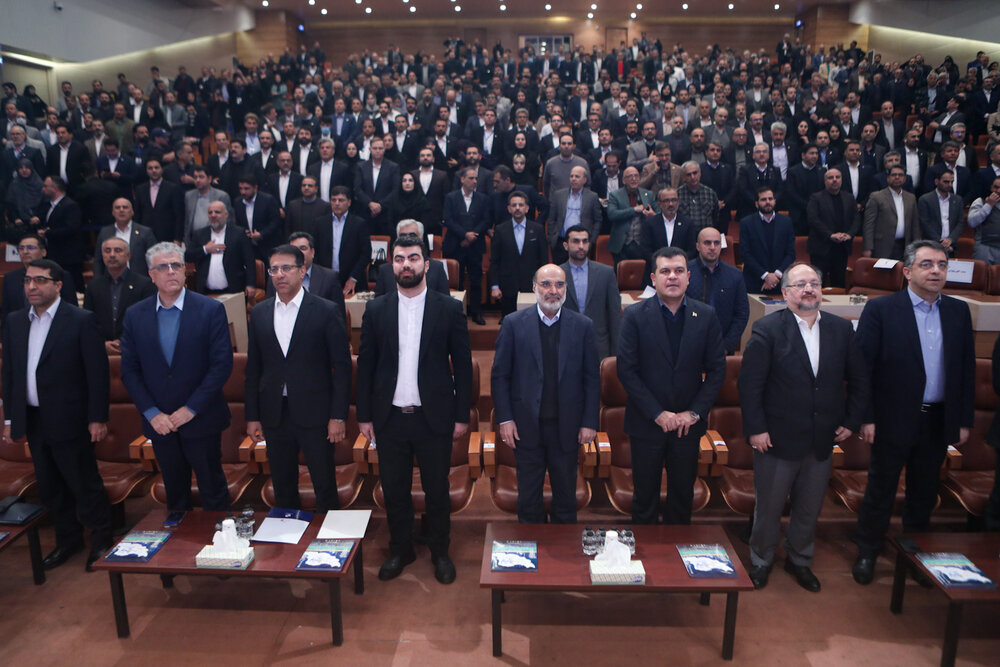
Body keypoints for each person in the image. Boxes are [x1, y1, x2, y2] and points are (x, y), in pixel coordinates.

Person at [851, 240, 975, 585]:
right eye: (927, 264)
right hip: (891, 418)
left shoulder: (958, 311)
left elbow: (965, 371)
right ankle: (868, 549)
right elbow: (863, 369)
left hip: (937, 418)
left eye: (941, 265)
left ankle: (914, 554)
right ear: (907, 271)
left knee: (923, 491)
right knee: (881, 489)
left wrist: (963, 420)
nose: (936, 271)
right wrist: (866, 417)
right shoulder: (882, 310)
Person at [738, 263, 868, 591]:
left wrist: (851, 421)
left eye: (814, 283)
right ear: (785, 293)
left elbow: (859, 380)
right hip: (776, 439)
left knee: (809, 507)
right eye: (800, 285)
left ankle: (799, 559)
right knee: (769, 508)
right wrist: (756, 429)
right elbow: (750, 385)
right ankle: (761, 559)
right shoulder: (767, 329)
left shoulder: (841, 329)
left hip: (822, 437)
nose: (808, 289)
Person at [356, 235, 473, 584]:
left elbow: (463, 366)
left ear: (427, 263)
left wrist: (461, 415)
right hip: (389, 417)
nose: (406, 264)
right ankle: (400, 549)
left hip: (433, 417)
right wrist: (364, 415)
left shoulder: (448, 308)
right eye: (399, 259)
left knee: (437, 490)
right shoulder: (376, 310)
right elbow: (366, 366)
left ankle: (440, 551)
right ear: (391, 265)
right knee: (395, 490)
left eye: (413, 258)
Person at [1, 259, 112, 571]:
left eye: (40, 280)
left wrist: (97, 417)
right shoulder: (15, 321)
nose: (32, 287)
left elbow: (97, 375)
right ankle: (68, 539)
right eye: (27, 281)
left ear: (58, 285)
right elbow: (10, 374)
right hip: (34, 419)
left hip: (71, 418)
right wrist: (10, 419)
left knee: (83, 482)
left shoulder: (80, 320)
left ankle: (101, 538)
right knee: (50, 485)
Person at [120, 242, 234, 512]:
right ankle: (179, 540)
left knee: (213, 490)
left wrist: (190, 409)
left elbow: (221, 365)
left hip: (202, 418)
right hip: (160, 423)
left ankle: (220, 538)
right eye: (163, 267)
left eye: (176, 265)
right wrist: (152, 413)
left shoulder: (210, 309)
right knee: (174, 494)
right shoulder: (135, 315)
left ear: (185, 271)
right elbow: (130, 371)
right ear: (151, 274)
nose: (171, 271)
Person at [617, 246, 726, 524]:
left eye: (679, 270)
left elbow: (717, 371)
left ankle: (676, 551)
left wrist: (694, 412)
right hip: (646, 423)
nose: (672, 276)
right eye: (665, 271)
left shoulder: (706, 315)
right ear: (654, 279)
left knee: (682, 498)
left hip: (687, 426)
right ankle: (645, 548)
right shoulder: (634, 315)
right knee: (644, 498)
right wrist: (657, 413)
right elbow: (627, 371)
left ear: (689, 277)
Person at [245, 244, 352, 512]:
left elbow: (342, 368)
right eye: (274, 269)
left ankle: (327, 536)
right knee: (282, 486)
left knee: (324, 484)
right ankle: (287, 536)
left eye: (286, 268)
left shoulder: (325, 310)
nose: (280, 274)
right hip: (274, 413)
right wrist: (252, 416)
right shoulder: (259, 313)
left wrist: (338, 416)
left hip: (316, 414)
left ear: (302, 271)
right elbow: (254, 368)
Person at [491, 263, 600, 523]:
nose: (553, 290)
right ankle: (534, 546)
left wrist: (589, 422)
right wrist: (505, 419)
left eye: (559, 285)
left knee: (566, 500)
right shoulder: (513, 324)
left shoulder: (583, 326)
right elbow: (500, 376)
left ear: (566, 288)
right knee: (529, 500)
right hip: (526, 427)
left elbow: (591, 379)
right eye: (546, 284)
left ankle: (563, 549)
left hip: (567, 428)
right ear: (534, 287)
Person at [83, 237, 157, 353]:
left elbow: (148, 321)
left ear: (128, 256)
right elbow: (88, 322)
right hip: (101, 349)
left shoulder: (145, 285)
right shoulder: (94, 286)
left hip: (136, 348)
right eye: (107, 251)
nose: (112, 255)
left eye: (118, 250)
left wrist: (125, 342)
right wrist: (102, 343)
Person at [561, 225, 621, 359]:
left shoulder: (606, 273)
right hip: (564, 345)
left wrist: (616, 353)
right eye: (576, 241)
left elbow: (614, 315)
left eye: (585, 241)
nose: (581, 246)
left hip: (598, 346)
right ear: (566, 245)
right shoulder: (557, 274)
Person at [686, 226, 749, 355]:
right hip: (688, 348)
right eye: (707, 243)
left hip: (722, 348)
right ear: (698, 246)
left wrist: (726, 346)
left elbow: (742, 314)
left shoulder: (735, 275)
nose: (712, 247)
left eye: (717, 243)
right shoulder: (685, 273)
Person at [442, 167, 492, 325]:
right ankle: (457, 314)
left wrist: (472, 236)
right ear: (462, 179)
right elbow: (448, 219)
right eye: (471, 178)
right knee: (458, 281)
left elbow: (486, 220)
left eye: (476, 178)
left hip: (475, 245)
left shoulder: (483, 198)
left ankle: (476, 312)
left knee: (476, 281)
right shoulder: (451, 197)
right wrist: (464, 235)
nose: (474, 181)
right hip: (456, 244)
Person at [489, 191, 548, 317]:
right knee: (508, 321)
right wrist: (495, 286)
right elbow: (494, 261)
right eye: (514, 205)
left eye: (521, 205)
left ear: (527, 208)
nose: (517, 208)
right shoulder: (500, 230)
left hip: (531, 285)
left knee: (532, 321)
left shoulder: (537, 229)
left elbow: (544, 260)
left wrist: (544, 285)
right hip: (507, 285)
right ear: (509, 209)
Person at [185, 200, 257, 298]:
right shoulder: (200, 234)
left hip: (233, 290)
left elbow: (249, 260)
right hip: (206, 293)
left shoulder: (239, 233)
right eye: (210, 212)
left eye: (217, 212)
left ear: (226, 214)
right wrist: (205, 249)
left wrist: (251, 284)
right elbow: (188, 256)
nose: (213, 215)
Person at [309, 185, 371, 297]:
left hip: (352, 279)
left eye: (341, 200)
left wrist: (353, 278)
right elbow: (315, 251)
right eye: (334, 200)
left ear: (349, 202)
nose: (337, 203)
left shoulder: (359, 224)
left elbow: (366, 254)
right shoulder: (320, 223)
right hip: (326, 278)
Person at [264, 231, 346, 314]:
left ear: (312, 252)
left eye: (303, 248)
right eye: (294, 249)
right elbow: (269, 311)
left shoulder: (329, 277)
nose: (299, 253)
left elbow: (339, 314)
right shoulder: (276, 278)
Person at [806, 168, 861, 288]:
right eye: (830, 178)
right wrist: (830, 235)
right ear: (825, 181)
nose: (834, 180)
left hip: (842, 248)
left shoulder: (849, 197)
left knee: (839, 284)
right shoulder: (816, 198)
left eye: (837, 177)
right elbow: (813, 220)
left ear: (841, 180)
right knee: (818, 283)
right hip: (821, 248)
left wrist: (850, 234)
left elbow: (856, 219)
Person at [739, 187, 795, 294]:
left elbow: (790, 254)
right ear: (757, 204)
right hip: (755, 281)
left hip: (780, 282)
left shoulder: (786, 222)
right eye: (763, 199)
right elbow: (745, 254)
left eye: (770, 199)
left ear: (775, 201)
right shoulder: (746, 223)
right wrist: (765, 276)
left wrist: (776, 275)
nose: (767, 202)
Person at [373, 220, 449, 297]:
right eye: (403, 236)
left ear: (421, 238)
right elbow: (379, 302)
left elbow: (445, 301)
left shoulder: (437, 268)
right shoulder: (385, 270)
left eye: (412, 236)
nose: (407, 239)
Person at [546, 165, 601, 265]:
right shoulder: (559, 195)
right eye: (571, 176)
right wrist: (551, 236)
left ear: (584, 180)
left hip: (581, 243)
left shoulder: (592, 197)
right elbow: (551, 218)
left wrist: (592, 240)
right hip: (561, 241)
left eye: (577, 176)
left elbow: (598, 220)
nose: (573, 179)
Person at [862, 165, 920, 260]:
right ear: (888, 178)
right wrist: (867, 247)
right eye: (894, 175)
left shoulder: (911, 198)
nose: (897, 177)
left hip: (905, 246)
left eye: (900, 175)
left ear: (905, 178)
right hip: (882, 246)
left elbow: (915, 225)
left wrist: (917, 246)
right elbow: (869, 224)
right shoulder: (876, 197)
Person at [641, 187, 697, 280]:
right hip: (656, 273)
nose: (671, 204)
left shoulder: (688, 223)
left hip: (680, 273)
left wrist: (677, 264)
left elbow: (691, 250)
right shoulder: (650, 223)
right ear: (659, 203)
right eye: (666, 201)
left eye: (673, 200)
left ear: (678, 202)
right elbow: (645, 250)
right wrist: (662, 263)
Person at [93, 198, 157, 277]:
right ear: (113, 212)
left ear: (132, 212)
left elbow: (153, 259)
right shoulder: (104, 232)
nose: (121, 210)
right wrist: (98, 279)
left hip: (139, 279)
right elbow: (98, 260)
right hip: (112, 280)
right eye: (117, 207)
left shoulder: (145, 232)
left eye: (125, 207)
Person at [608, 165, 657, 266]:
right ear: (623, 180)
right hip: (622, 244)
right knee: (621, 272)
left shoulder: (648, 194)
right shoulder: (615, 195)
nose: (633, 179)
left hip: (642, 243)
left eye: (636, 176)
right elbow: (612, 214)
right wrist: (633, 210)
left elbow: (659, 214)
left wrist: (653, 215)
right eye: (630, 176)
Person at [233, 174, 283, 260]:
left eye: (246, 188)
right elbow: (238, 223)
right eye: (240, 189)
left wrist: (261, 234)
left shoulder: (268, 200)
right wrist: (244, 232)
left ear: (255, 188)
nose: (243, 192)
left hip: (268, 245)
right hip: (249, 247)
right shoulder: (238, 202)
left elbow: (276, 222)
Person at [917, 169, 964, 256]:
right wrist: (940, 242)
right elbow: (925, 223)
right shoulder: (925, 200)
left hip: (951, 246)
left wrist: (950, 239)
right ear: (936, 181)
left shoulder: (957, 200)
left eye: (952, 182)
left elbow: (960, 223)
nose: (950, 185)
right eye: (946, 182)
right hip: (931, 245)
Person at [184, 165, 232, 246]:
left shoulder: (221, 196)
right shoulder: (189, 195)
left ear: (209, 179)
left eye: (201, 177)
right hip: (194, 239)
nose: (198, 180)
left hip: (214, 238)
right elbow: (187, 220)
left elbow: (228, 220)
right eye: (195, 177)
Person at [968, 177, 1000, 264]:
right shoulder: (980, 201)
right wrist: (989, 205)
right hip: (984, 246)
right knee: (982, 271)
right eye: (996, 187)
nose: (998, 191)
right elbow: (972, 222)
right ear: (991, 187)